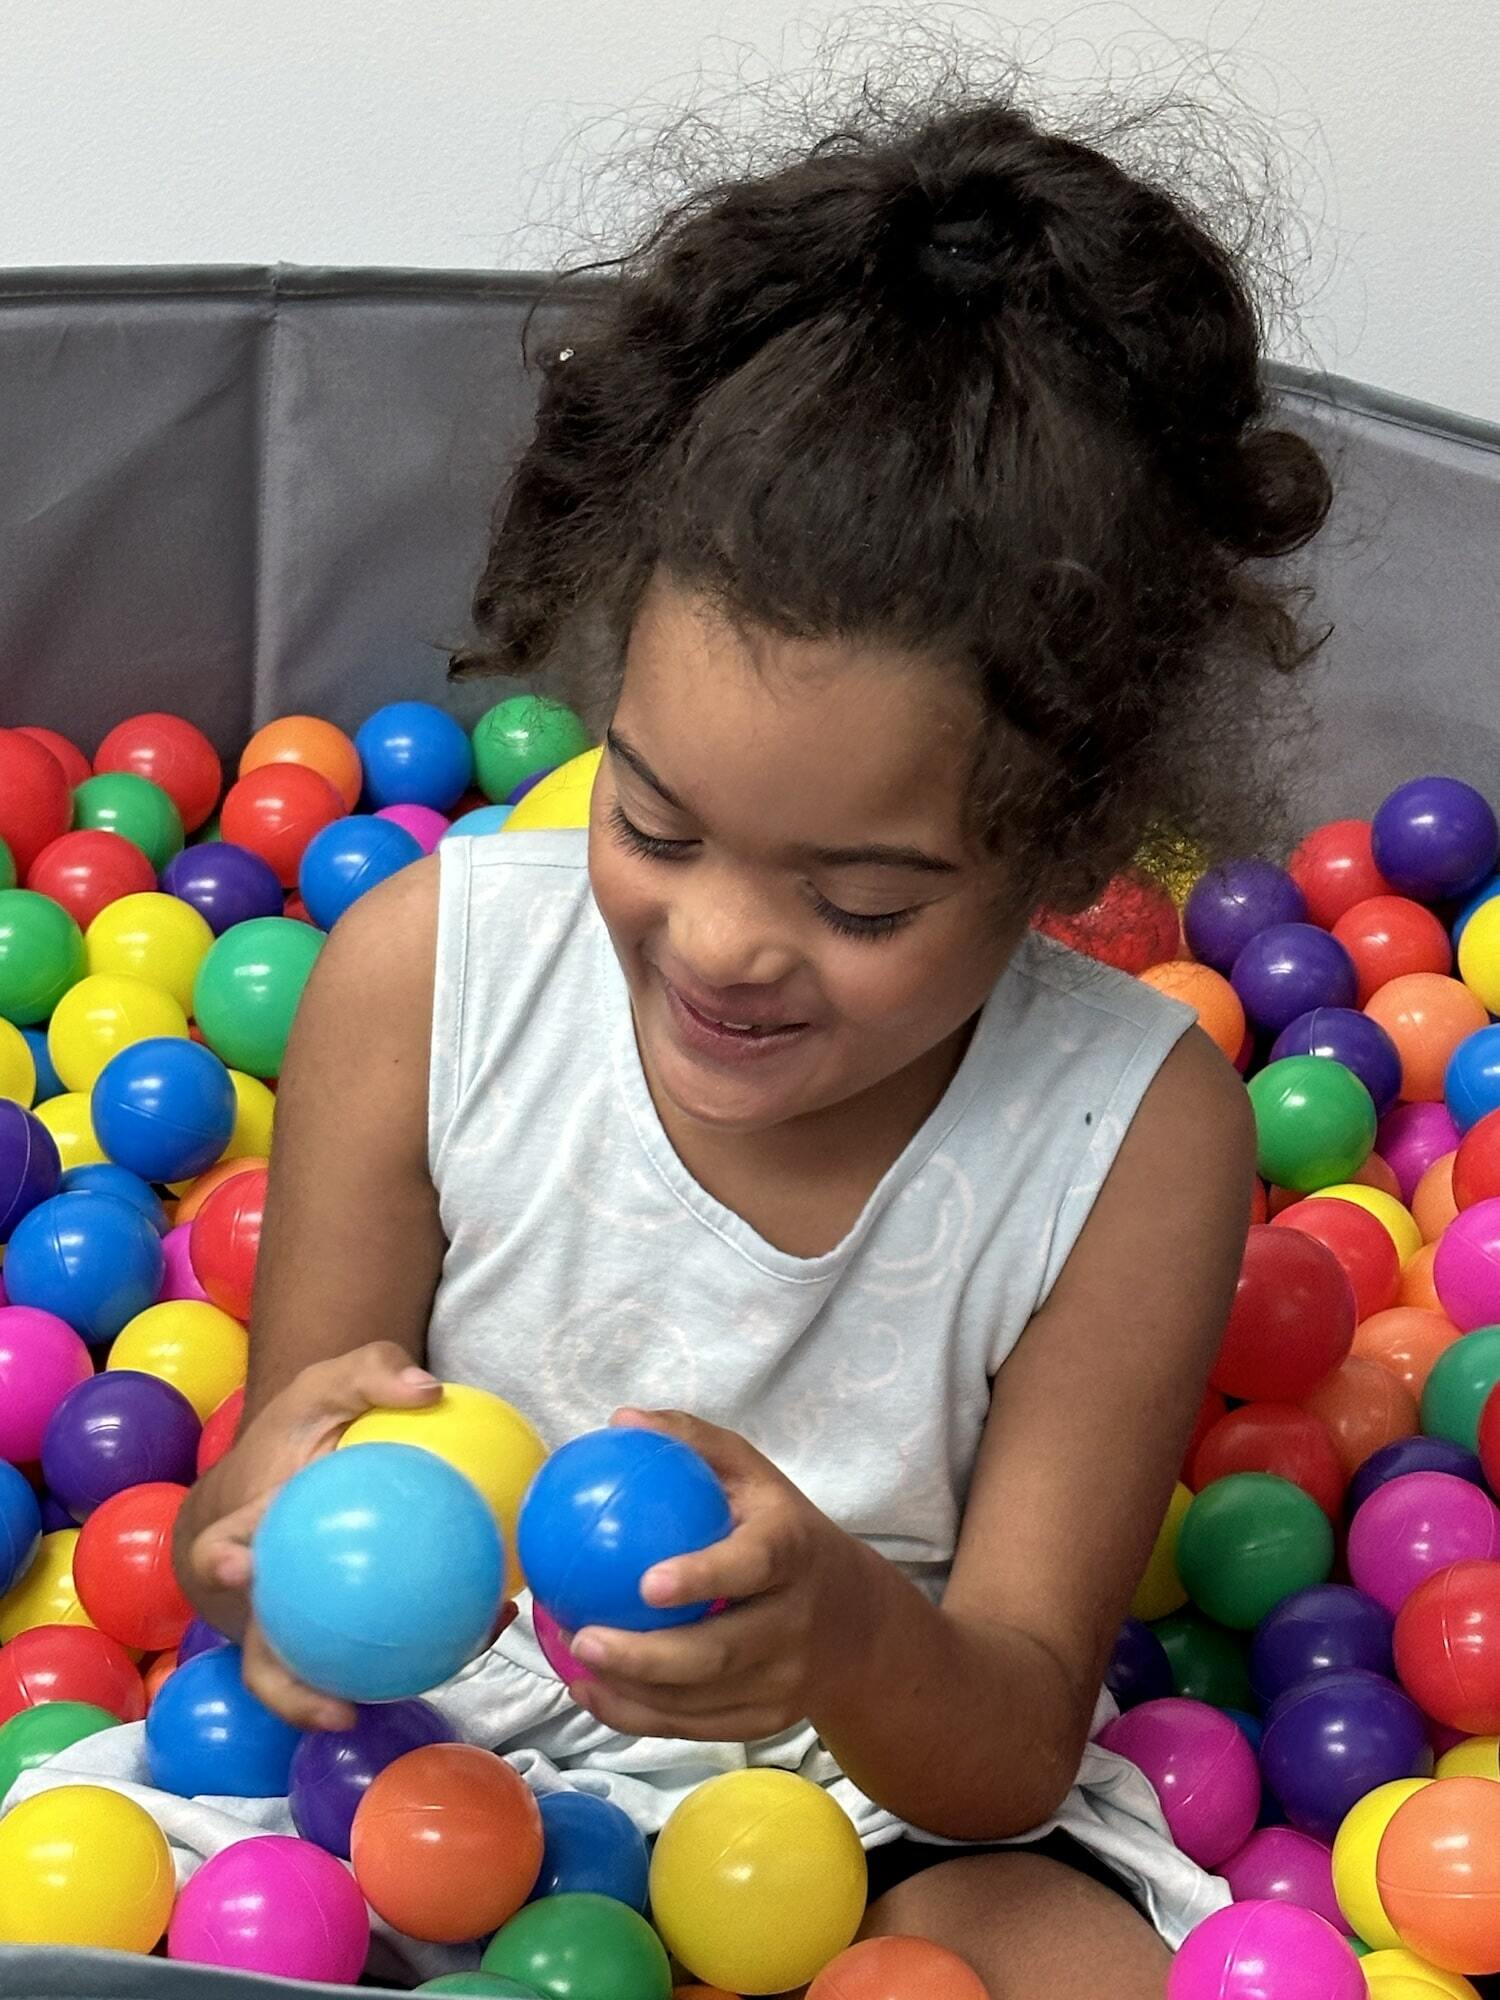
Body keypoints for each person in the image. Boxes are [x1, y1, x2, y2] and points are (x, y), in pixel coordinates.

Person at [173, 84, 1332, 1997]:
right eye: (652, 820)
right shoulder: (426, 973)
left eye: (861, 904)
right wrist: (258, 1555)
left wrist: (852, 1642)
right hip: (413, 1765)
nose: (719, 942)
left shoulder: (1137, 1127)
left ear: (1056, 850)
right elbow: (260, 1505)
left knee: (1068, 1963)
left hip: (874, 1795)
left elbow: (1015, 1731)